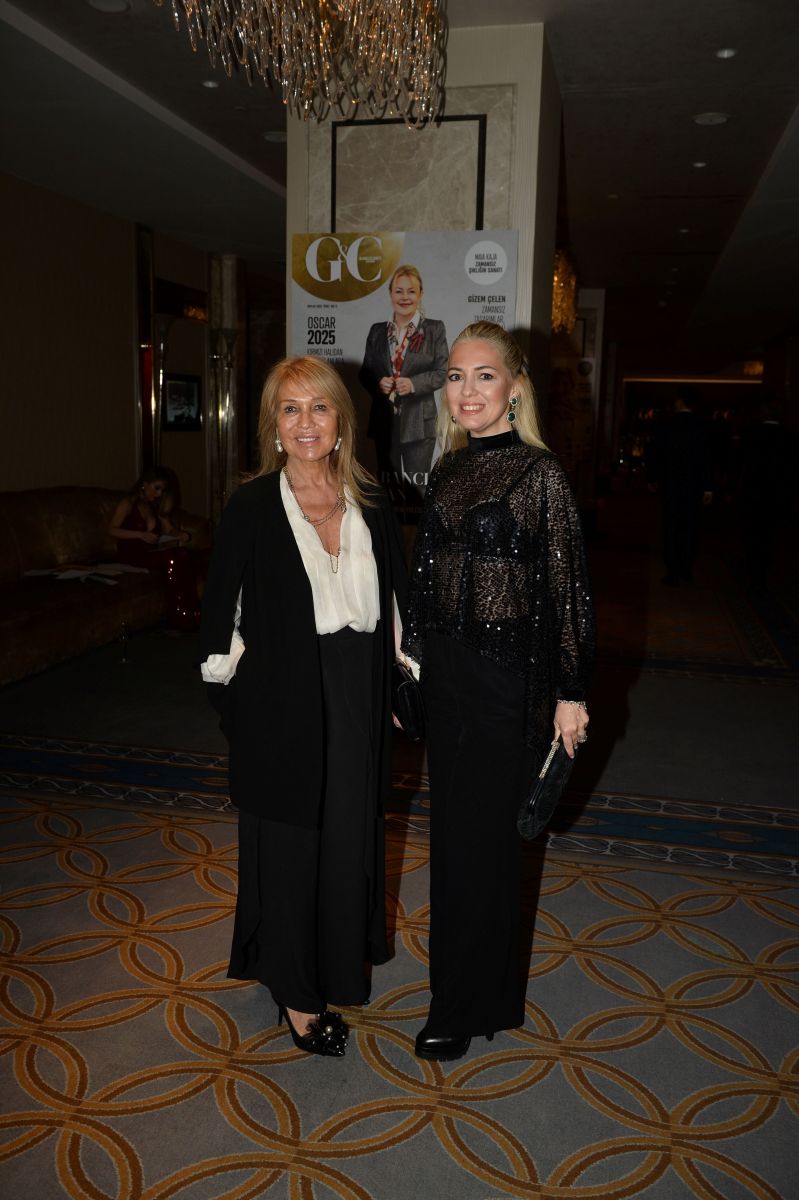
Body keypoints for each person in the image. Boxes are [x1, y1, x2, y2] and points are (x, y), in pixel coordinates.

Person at [199, 355, 407, 1058]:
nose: (305, 422)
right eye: (289, 409)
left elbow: (399, 605)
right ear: (273, 426)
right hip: (281, 698)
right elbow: (220, 616)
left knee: (346, 838)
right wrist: (237, 705)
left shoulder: (372, 501)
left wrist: (405, 682)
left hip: (357, 695)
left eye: (319, 407)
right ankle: (294, 992)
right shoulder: (252, 505)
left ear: (341, 420)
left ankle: (335, 964)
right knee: (289, 847)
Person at [401, 321, 595, 1062]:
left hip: (505, 681)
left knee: (483, 847)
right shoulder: (448, 470)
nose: (467, 390)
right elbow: (426, 580)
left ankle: (460, 1006)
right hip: (448, 678)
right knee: (454, 842)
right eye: (455, 376)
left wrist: (571, 693)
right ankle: (465, 992)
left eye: (484, 375)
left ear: (514, 388)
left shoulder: (540, 475)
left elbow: (568, 591)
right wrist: (412, 665)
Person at [360, 264, 448, 505]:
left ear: (421, 294)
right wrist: (378, 383)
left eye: (411, 291)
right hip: (384, 422)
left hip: (419, 424)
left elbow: (443, 372)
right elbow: (364, 373)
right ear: (390, 294)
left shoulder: (434, 329)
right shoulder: (377, 331)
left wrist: (414, 383)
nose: (405, 297)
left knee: (417, 493)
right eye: (399, 291)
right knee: (386, 490)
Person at [109, 465, 198, 629]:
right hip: (131, 554)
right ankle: (179, 615)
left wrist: (180, 534)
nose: (159, 494)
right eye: (157, 488)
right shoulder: (128, 503)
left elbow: (168, 529)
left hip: (150, 552)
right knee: (170, 558)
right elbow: (112, 529)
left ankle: (193, 612)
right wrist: (140, 535)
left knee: (182, 553)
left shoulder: (154, 506)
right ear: (145, 484)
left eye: (162, 490)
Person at [647, 385, 713, 586]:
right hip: (694, 484)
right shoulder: (703, 425)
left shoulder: (667, 424)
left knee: (671, 526)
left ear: (681, 401)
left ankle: (672, 569)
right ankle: (687, 568)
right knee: (691, 527)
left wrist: (653, 478)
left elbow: (656, 453)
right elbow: (708, 458)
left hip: (671, 483)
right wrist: (708, 487)